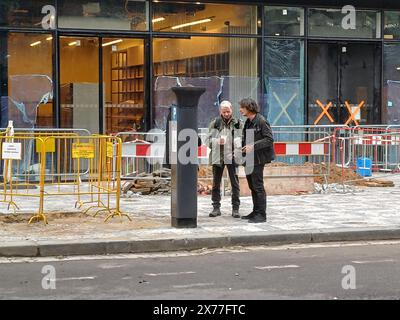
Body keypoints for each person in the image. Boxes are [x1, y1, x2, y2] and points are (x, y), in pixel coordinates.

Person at [239, 98, 274, 223]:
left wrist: (253, 146)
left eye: (242, 107)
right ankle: (256, 211)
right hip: (249, 158)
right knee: (252, 186)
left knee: (258, 186)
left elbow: (269, 139)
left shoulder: (261, 121)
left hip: (258, 159)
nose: (240, 109)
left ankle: (261, 214)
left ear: (249, 108)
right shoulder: (249, 121)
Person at [207, 100, 243, 218]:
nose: (226, 114)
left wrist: (238, 144)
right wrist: (217, 141)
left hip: (233, 157)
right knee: (216, 184)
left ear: (232, 109)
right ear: (220, 111)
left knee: (234, 183)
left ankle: (235, 209)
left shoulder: (238, 123)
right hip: (218, 157)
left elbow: (243, 139)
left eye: (228, 111)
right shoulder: (215, 123)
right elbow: (207, 141)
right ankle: (216, 208)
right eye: (224, 112)